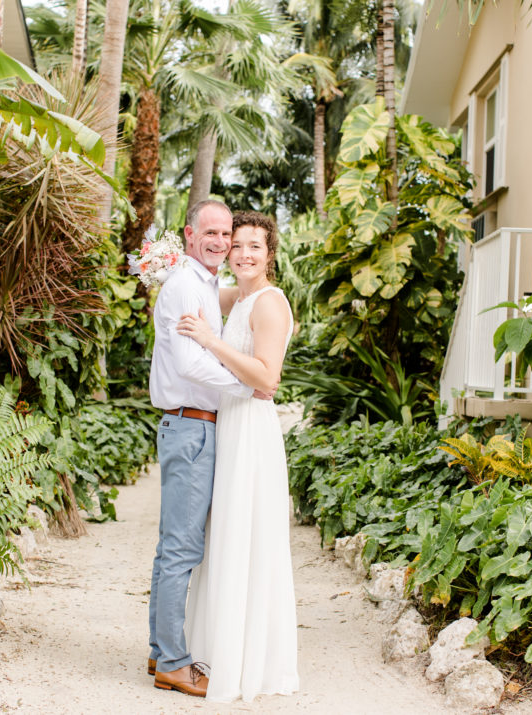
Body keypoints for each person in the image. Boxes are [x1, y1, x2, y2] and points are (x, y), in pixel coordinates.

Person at [146, 200, 274, 698]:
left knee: (171, 548)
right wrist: (247, 388)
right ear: (190, 234)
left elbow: (250, 303)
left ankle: (161, 651)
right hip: (192, 427)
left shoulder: (201, 284)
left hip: (195, 427)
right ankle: (174, 663)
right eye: (214, 233)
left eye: (229, 234)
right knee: (181, 549)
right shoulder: (183, 284)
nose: (222, 242)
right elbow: (190, 365)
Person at [177, 211, 300, 703]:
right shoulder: (239, 296)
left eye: (255, 246)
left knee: (246, 537)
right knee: (225, 535)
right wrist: (167, 261)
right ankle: (214, 649)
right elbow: (198, 287)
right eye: (237, 245)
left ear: (270, 254)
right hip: (229, 424)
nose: (245, 254)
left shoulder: (268, 304)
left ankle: (248, 662)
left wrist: (209, 341)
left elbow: (267, 379)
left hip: (250, 428)